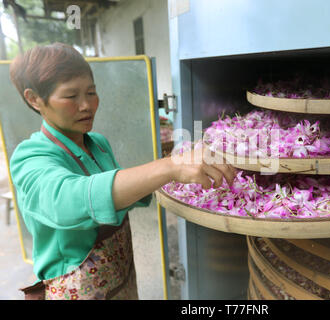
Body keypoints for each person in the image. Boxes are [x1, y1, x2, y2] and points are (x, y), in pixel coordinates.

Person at [9, 43, 236, 300]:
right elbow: (68, 200)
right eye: (71, 96)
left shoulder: (98, 143)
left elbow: (121, 194)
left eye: (91, 92)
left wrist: (176, 174)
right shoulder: (30, 157)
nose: (86, 105)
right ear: (34, 99)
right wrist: (170, 167)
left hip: (121, 281)